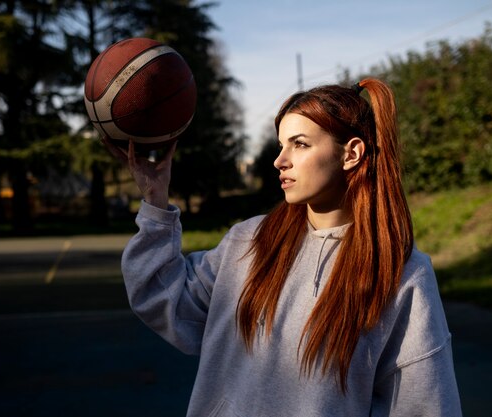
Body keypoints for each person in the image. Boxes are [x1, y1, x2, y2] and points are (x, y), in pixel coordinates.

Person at [103, 78, 463, 416]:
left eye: (300, 144)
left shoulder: (401, 272)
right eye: (281, 145)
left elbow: (425, 404)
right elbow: (165, 300)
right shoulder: (249, 242)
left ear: (351, 153)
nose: (280, 160)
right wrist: (155, 201)